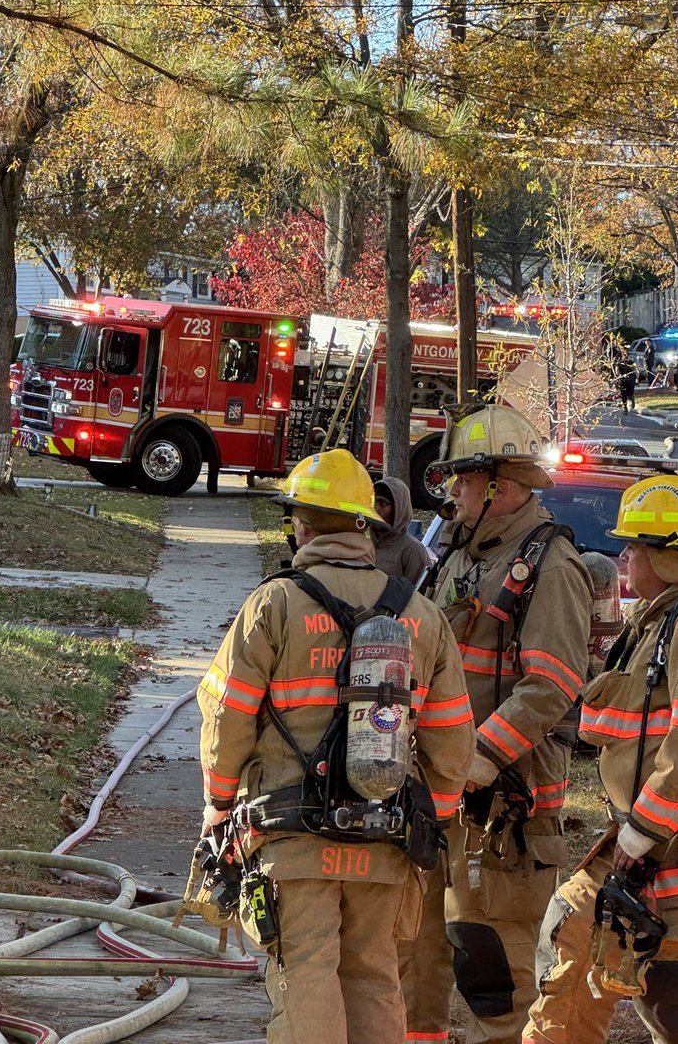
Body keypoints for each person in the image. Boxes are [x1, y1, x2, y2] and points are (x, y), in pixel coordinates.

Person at [197, 448, 475, 1044]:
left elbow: (228, 715)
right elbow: (453, 738)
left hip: (293, 839)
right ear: (364, 526)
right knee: (375, 976)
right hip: (388, 840)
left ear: (300, 522)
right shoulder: (422, 616)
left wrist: (220, 804)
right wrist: (432, 825)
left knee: (308, 971)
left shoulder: (273, 605)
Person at [399, 403, 592, 1044]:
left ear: (500, 489)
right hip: (437, 793)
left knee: (493, 968)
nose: (451, 491)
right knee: (417, 948)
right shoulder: (460, 554)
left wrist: (479, 755)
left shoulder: (550, 567)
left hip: (505, 806)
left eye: (463, 480)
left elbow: (553, 684)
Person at [524, 476, 678, 1044]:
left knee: (659, 999)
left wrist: (642, 832)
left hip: (657, 847)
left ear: (667, 555)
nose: (624, 556)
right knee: (576, 944)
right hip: (639, 843)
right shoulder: (655, 625)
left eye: (635, 546)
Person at [371, 476, 432, 583]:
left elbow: (420, 595)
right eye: (373, 502)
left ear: (399, 510)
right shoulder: (362, 543)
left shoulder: (412, 551)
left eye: (383, 503)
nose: (376, 509)